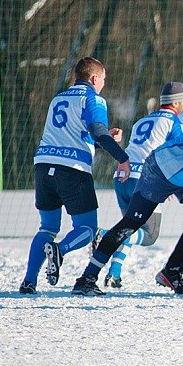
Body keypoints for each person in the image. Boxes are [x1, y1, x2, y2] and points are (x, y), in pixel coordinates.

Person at [69, 82, 183, 295]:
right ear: (176, 103)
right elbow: (178, 144)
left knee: (135, 225)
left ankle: (93, 275)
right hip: (163, 174)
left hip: (137, 174)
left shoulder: (143, 120)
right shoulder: (180, 119)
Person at [19, 56, 130, 295]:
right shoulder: (93, 99)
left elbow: (77, 137)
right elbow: (98, 131)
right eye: (102, 79)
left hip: (44, 166)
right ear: (93, 78)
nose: (103, 84)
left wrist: (103, 138)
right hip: (73, 171)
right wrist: (122, 157)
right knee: (88, 228)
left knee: (47, 228)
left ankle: (29, 282)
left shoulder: (58, 98)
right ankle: (60, 250)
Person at [98, 91, 183, 288]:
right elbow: (176, 154)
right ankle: (105, 233)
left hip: (122, 175)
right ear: (175, 103)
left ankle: (114, 273)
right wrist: (170, 184)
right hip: (145, 179)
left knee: (131, 227)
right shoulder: (175, 122)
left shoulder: (142, 120)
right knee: (149, 235)